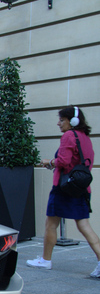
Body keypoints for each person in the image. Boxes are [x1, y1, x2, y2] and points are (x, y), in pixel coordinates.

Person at [27, 106, 100, 277]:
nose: (58, 123)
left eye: (61, 120)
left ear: (72, 121)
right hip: (81, 189)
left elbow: (64, 161)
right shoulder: (85, 137)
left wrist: (49, 162)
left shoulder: (68, 136)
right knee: (83, 225)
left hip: (63, 188)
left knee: (51, 224)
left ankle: (45, 260)